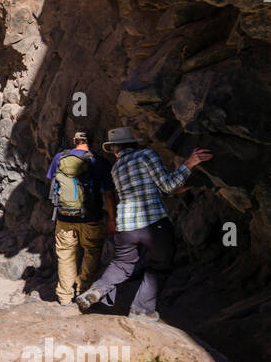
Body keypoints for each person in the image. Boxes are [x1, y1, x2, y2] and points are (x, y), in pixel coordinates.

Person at [74, 126, 213, 321]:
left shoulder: (116, 169)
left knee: (122, 264)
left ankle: (97, 289)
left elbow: (146, 190)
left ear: (115, 149)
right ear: (133, 143)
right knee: (160, 266)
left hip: (125, 227)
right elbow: (167, 185)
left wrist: (171, 191)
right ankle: (141, 309)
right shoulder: (146, 155)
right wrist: (190, 163)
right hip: (153, 224)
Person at [46, 131, 116, 306]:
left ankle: (64, 296)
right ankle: (83, 289)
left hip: (64, 217)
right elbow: (108, 194)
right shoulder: (99, 162)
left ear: (74, 141)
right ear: (91, 142)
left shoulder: (59, 158)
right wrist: (112, 219)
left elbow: (53, 183)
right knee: (92, 252)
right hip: (91, 218)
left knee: (65, 255)